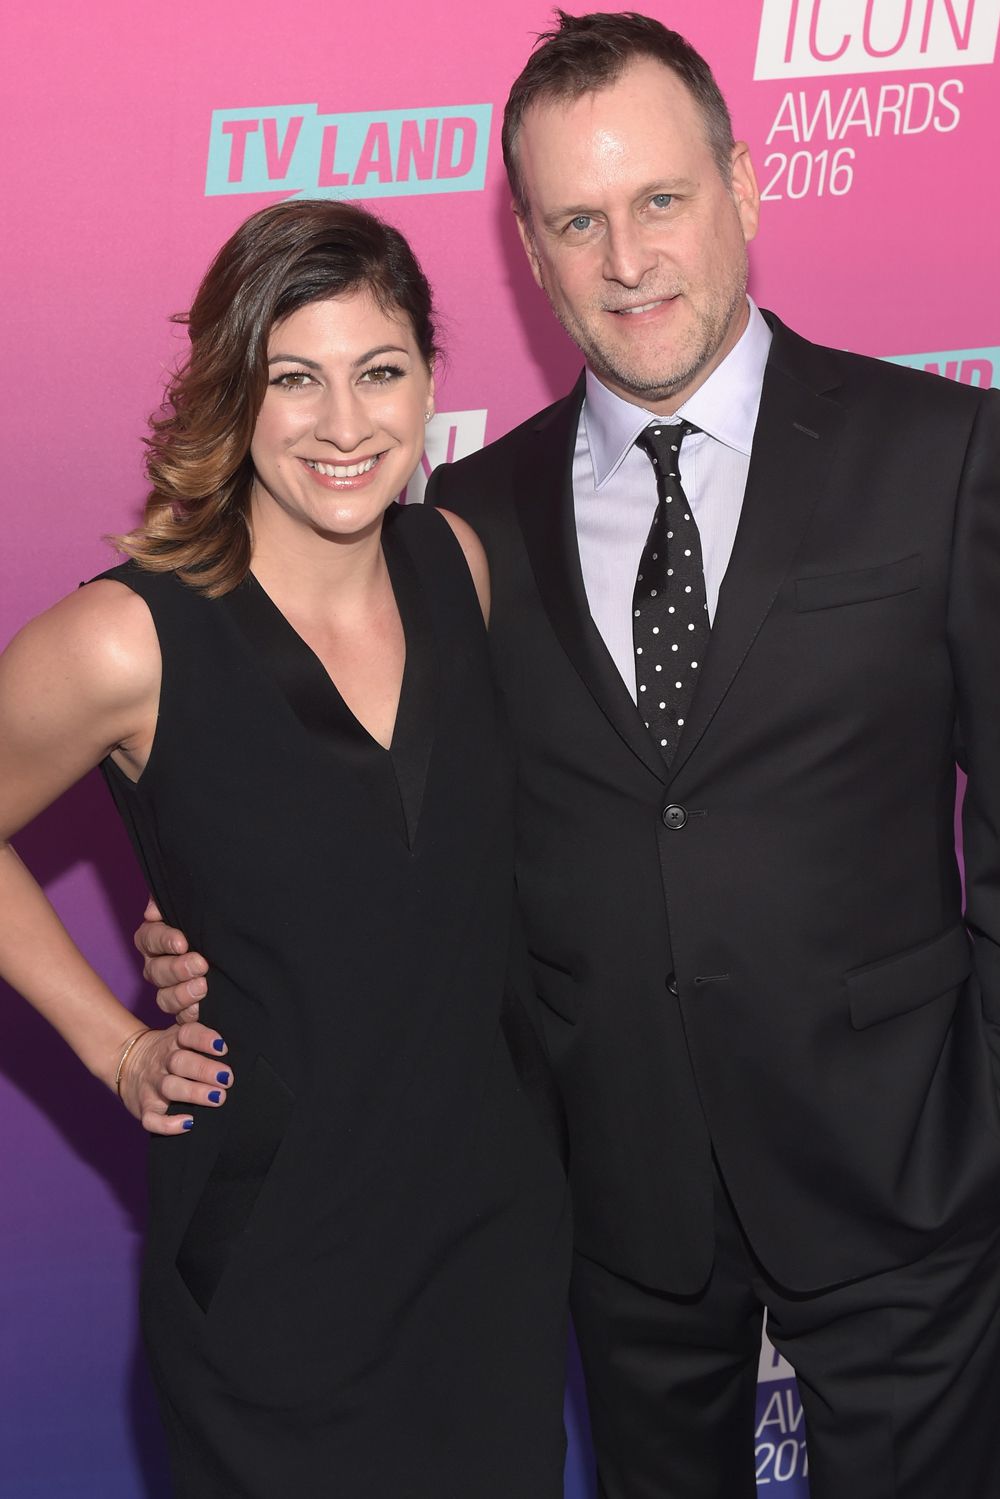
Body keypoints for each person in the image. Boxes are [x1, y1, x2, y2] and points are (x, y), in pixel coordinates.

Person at [137, 10, 1000, 1499]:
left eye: (661, 200)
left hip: (907, 1181)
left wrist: (978, 1104)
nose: (627, 259)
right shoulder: (452, 528)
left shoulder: (945, 453)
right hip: (605, 1198)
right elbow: (372, 807)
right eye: (576, 222)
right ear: (529, 255)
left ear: (742, 183)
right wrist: (199, 915)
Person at [0, 199, 570, 1497]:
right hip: (275, 1281)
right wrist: (117, 1041)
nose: (344, 423)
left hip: (495, 1256)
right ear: (230, 392)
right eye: (292, 379)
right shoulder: (129, 639)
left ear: (430, 377)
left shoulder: (458, 567)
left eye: (379, 372)